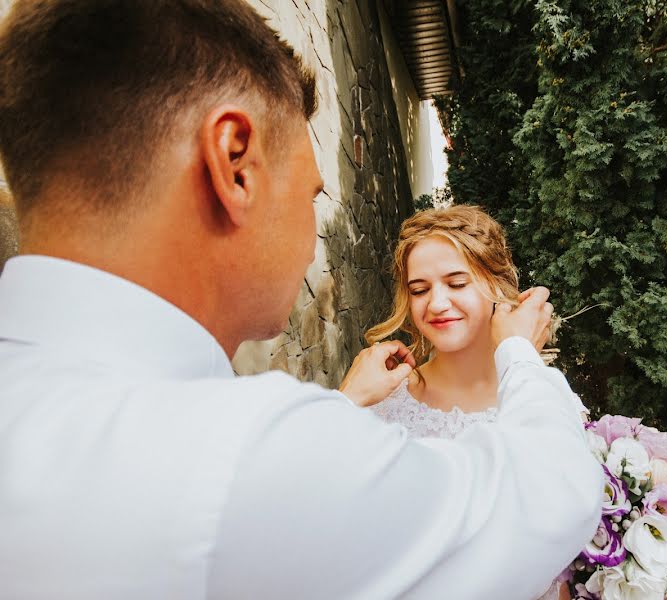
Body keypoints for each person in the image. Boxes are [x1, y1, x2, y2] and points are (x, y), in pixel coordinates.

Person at [0, 1, 603, 599]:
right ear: (235, 163)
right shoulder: (254, 452)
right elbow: (546, 495)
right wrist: (519, 352)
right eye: (312, 193)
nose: (311, 231)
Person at [365, 205, 586, 600]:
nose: (436, 303)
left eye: (456, 283)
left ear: (496, 288)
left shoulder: (544, 399)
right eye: (419, 290)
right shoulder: (383, 403)